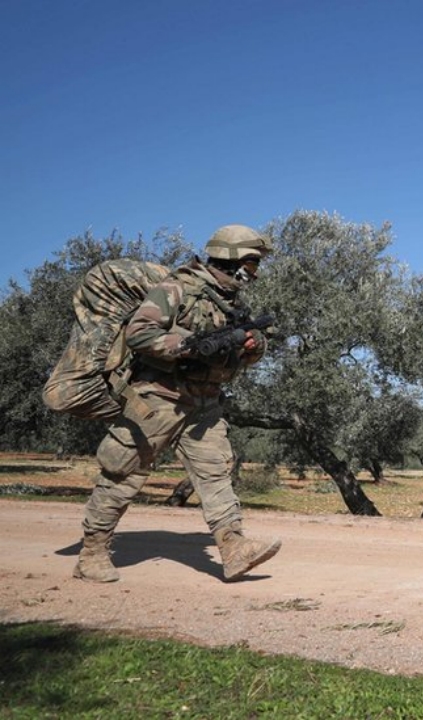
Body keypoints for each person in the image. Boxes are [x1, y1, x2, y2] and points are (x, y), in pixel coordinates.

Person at [73, 224, 282, 583]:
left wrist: (251, 346)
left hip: (204, 404)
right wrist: (188, 344)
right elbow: (139, 333)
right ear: (232, 258)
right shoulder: (176, 289)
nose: (254, 272)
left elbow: (245, 351)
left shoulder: (229, 303)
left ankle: (233, 548)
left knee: (215, 473)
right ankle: (92, 553)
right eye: (251, 263)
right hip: (157, 399)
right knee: (122, 474)